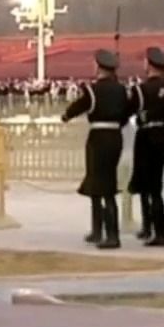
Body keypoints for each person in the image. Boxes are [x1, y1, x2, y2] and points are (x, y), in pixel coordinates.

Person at [62, 48, 131, 249]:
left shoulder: (93, 90)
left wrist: (66, 116)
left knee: (100, 183)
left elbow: (79, 106)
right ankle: (99, 231)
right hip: (115, 136)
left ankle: (109, 234)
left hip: (98, 137)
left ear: (99, 68)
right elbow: (127, 113)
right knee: (104, 182)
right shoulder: (122, 90)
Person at [129, 46, 164, 246]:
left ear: (149, 64)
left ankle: (155, 231)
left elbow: (129, 110)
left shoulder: (141, 89)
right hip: (163, 136)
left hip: (146, 135)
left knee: (146, 184)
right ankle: (153, 228)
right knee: (153, 184)